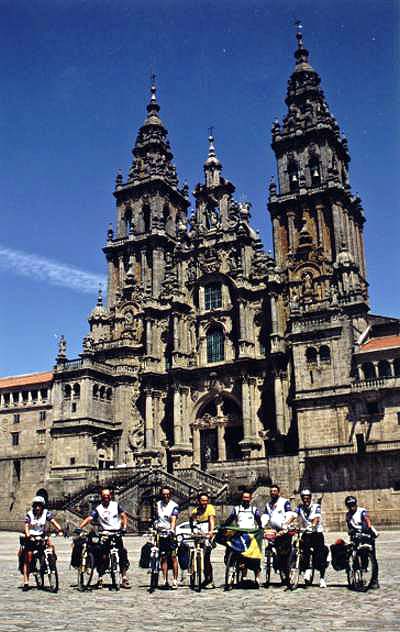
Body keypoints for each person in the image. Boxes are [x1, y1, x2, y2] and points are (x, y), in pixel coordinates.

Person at [79, 488, 130, 588]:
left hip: (116, 532)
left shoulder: (115, 505)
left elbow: (123, 516)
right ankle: (100, 577)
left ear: (110, 496)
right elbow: (90, 518)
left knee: (122, 553)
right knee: (102, 555)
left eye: (107, 496)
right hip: (105, 534)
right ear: (101, 497)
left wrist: (124, 527)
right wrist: (80, 527)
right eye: (104, 496)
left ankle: (124, 577)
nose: (106, 498)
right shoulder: (98, 509)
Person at [21, 495, 63, 591]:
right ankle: (26, 582)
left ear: (42, 506)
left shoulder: (46, 513)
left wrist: (59, 529)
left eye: (39, 505)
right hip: (31, 538)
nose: (37, 508)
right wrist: (28, 534)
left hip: (42, 537)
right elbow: (26, 525)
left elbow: (53, 521)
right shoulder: (29, 514)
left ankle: (51, 565)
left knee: (51, 549)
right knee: (28, 558)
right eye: (36, 505)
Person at [224, 490, 262, 586]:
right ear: (242, 499)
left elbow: (258, 520)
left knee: (255, 556)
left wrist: (260, 528)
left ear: (250, 499)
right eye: (244, 498)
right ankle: (238, 572)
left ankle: (257, 577)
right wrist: (223, 526)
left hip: (251, 535)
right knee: (236, 552)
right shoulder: (237, 509)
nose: (245, 500)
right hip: (240, 534)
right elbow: (230, 519)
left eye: (247, 498)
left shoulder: (254, 509)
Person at [295, 489, 328, 588]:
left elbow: (316, 519)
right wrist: (288, 523)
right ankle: (307, 569)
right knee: (303, 551)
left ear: (310, 498)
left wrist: (312, 525)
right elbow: (293, 515)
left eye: (308, 498)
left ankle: (322, 578)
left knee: (320, 555)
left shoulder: (315, 506)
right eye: (304, 498)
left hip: (316, 533)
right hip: (306, 533)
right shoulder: (300, 507)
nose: (306, 500)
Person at [345, 495, 379, 588]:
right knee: (355, 553)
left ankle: (375, 580)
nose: (352, 507)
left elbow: (367, 521)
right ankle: (357, 574)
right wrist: (351, 532)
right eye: (349, 505)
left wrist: (365, 530)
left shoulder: (362, 511)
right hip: (356, 535)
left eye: (353, 505)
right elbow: (349, 526)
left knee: (372, 556)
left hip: (366, 533)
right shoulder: (348, 515)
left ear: (356, 504)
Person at [262, 484, 293, 585]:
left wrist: (285, 525)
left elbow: (289, 514)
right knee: (275, 553)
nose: (273, 493)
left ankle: (286, 573)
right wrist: (261, 525)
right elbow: (266, 516)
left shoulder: (284, 502)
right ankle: (279, 569)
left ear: (278, 492)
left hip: (284, 531)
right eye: (271, 491)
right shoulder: (268, 504)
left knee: (285, 554)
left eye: (275, 491)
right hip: (274, 532)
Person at [155, 486, 179, 589]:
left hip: (170, 534)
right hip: (161, 533)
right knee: (163, 557)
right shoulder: (158, 504)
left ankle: (174, 580)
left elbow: (173, 518)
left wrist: (172, 529)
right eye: (164, 494)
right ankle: (164, 579)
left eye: (167, 494)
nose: (165, 496)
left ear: (170, 495)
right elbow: (156, 518)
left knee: (173, 557)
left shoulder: (174, 505)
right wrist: (155, 526)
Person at [190, 491, 216, 588]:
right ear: (198, 501)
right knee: (196, 553)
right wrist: (193, 530)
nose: (204, 502)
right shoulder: (195, 511)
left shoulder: (210, 508)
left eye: (206, 500)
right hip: (199, 531)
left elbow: (211, 520)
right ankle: (194, 572)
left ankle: (209, 578)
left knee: (206, 557)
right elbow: (192, 520)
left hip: (207, 531)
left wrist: (211, 532)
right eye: (202, 500)